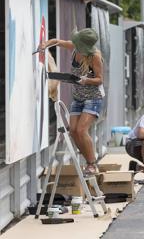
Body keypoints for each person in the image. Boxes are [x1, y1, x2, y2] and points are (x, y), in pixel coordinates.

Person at [41, 28, 104, 175]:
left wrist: (86, 80)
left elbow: (100, 79)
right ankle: (88, 157)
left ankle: (91, 164)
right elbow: (57, 41)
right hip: (78, 97)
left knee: (82, 130)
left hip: (92, 98)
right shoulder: (75, 47)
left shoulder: (95, 56)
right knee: (74, 131)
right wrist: (45, 44)